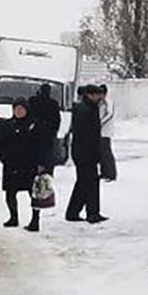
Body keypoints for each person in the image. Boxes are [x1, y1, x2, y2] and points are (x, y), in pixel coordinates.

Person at [0, 99, 44, 232]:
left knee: (33, 194)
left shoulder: (34, 125)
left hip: (29, 165)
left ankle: (35, 221)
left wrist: (41, 162)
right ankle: (13, 217)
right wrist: (3, 157)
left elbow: (41, 145)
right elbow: (1, 143)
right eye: (16, 109)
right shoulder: (7, 125)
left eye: (21, 109)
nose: (19, 112)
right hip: (11, 165)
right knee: (10, 193)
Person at [64, 85, 108, 224]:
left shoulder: (84, 108)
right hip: (86, 152)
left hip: (82, 151)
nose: (99, 98)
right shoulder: (87, 110)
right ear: (90, 95)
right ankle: (91, 213)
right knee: (90, 182)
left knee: (84, 182)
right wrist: (96, 152)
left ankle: (75, 211)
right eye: (97, 95)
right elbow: (89, 134)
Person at [27, 83, 62, 166]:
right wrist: (53, 132)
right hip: (47, 135)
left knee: (33, 158)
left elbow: (29, 116)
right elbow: (57, 120)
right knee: (45, 160)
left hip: (34, 133)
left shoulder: (33, 101)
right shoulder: (53, 104)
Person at [99, 84, 118, 182]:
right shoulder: (100, 103)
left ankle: (111, 173)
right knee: (101, 153)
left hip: (106, 131)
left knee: (107, 153)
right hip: (100, 131)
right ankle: (104, 172)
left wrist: (101, 122)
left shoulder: (108, 102)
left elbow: (109, 114)